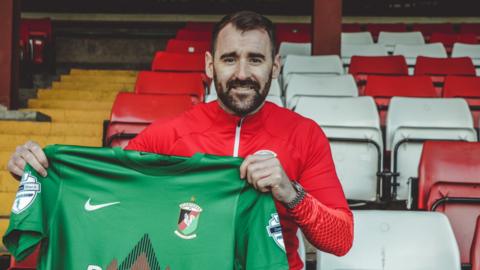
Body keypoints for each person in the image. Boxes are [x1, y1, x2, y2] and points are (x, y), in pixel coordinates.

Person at [8, 11, 353, 269]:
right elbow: (108, 197)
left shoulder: (304, 135)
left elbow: (340, 240)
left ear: (276, 66)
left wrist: (291, 193)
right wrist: (39, 175)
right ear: (209, 65)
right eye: (230, 59)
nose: (243, 73)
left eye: (256, 59)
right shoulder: (166, 135)